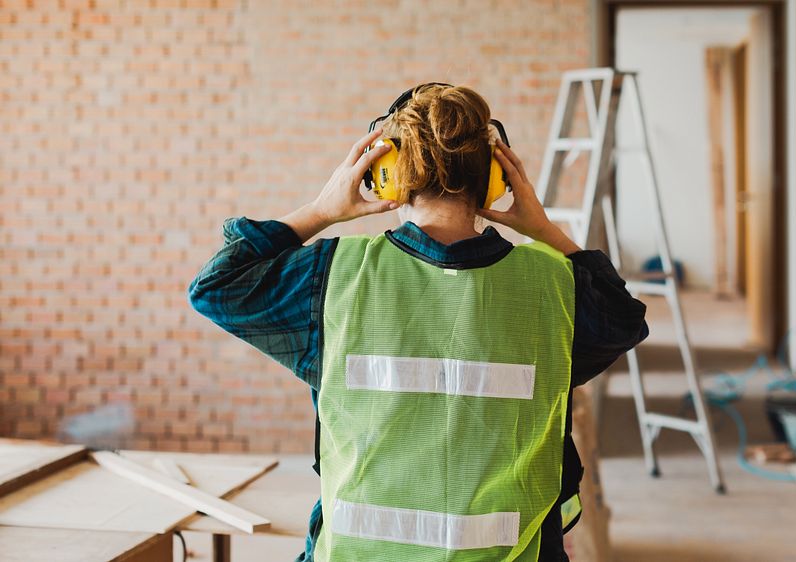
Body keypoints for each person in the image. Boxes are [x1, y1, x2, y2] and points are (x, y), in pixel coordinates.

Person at [189, 84, 648, 561]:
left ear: (385, 175)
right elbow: (625, 319)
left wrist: (321, 210)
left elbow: (217, 286)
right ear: (494, 179)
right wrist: (543, 230)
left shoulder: (331, 277)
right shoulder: (555, 284)